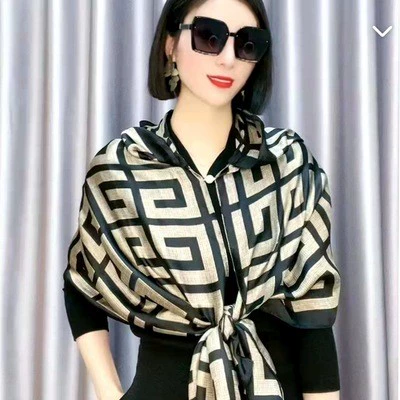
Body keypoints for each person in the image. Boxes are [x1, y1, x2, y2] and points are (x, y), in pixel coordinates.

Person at [63, 1, 341, 399]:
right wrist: (109, 392)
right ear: (170, 45)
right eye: (209, 36)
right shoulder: (122, 168)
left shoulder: (287, 163)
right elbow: (82, 283)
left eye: (247, 43)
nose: (228, 58)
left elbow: (313, 313)